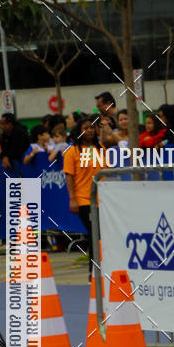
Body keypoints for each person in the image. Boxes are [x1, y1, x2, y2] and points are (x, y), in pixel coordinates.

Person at [62, 117, 104, 276]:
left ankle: (98, 272)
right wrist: (72, 198)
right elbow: (69, 176)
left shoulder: (100, 149)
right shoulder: (72, 151)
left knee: (99, 236)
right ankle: (93, 273)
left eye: (92, 127)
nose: (90, 130)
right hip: (84, 199)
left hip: (102, 200)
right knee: (95, 234)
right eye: (86, 127)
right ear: (79, 131)